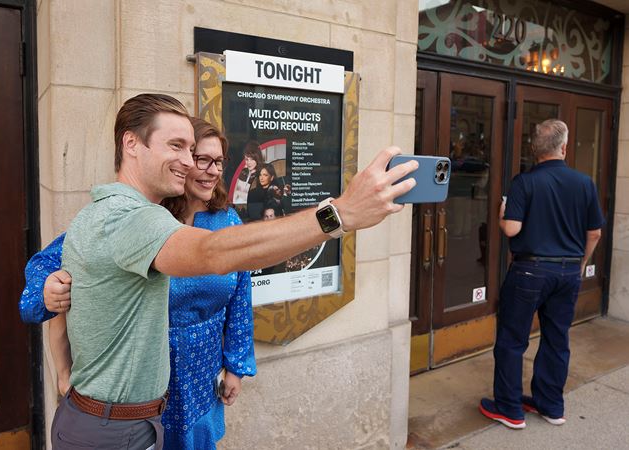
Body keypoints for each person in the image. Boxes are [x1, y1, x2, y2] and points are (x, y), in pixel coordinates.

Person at [44, 93, 417, 449]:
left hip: (153, 403)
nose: (193, 164)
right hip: (115, 423)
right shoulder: (133, 220)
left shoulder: (109, 212)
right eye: (179, 148)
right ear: (130, 143)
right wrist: (340, 214)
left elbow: (237, 291)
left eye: (203, 156)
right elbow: (213, 253)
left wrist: (234, 366)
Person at [19, 117, 255, 449]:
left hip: (202, 371)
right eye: (202, 159)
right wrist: (46, 286)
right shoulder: (138, 218)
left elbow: (240, 299)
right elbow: (51, 258)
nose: (212, 170)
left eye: (218, 161)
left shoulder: (226, 220)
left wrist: (235, 366)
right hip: (143, 377)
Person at [479, 119, 604, 429]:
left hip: (530, 271)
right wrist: (578, 264)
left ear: (534, 150)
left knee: (512, 339)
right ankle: (551, 406)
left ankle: (509, 408)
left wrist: (500, 214)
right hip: (567, 272)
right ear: (563, 148)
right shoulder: (584, 182)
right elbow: (595, 233)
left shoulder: (525, 182)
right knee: (557, 339)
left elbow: (511, 228)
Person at [231, 140, 263, 205]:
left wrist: (240, 193)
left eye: (252, 159)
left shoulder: (260, 175)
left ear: (257, 159)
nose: (249, 162)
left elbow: (254, 198)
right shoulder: (244, 172)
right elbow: (235, 193)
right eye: (247, 159)